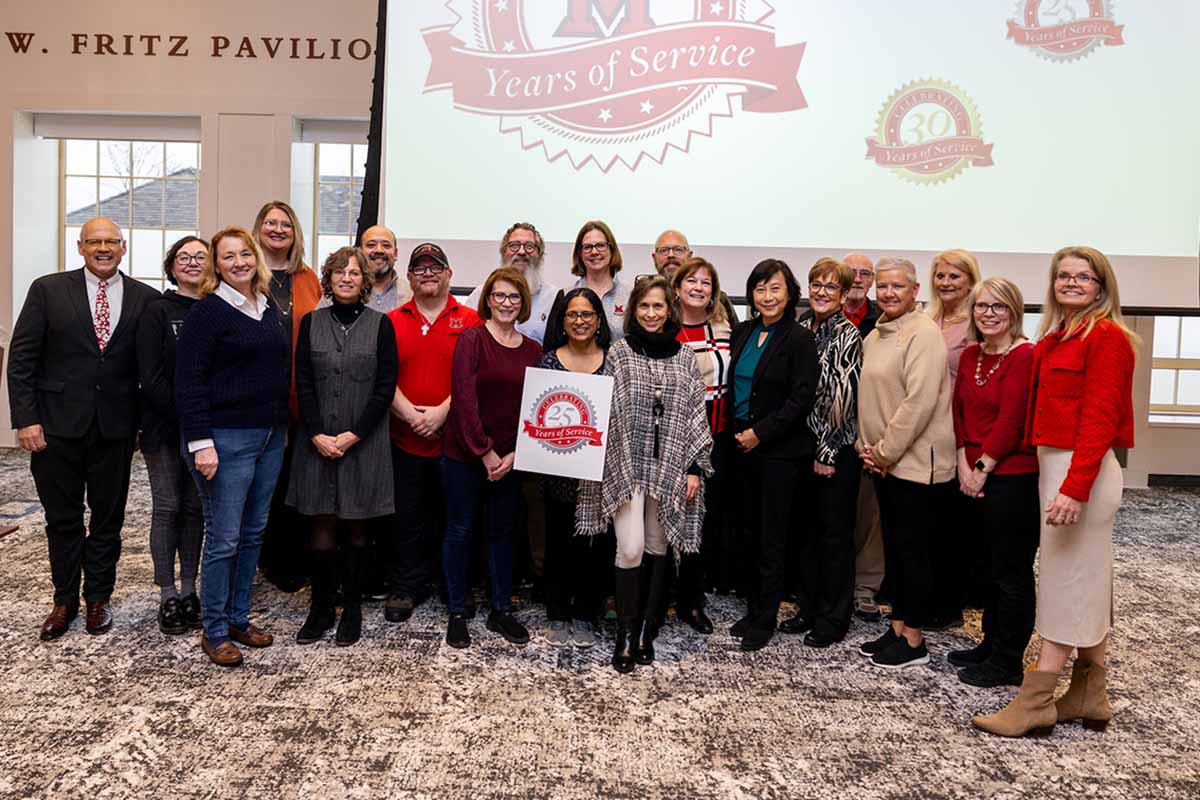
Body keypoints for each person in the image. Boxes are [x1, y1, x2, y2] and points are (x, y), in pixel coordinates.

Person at [974, 247, 1137, 737]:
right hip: (1055, 465)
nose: (1071, 283)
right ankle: (1090, 692)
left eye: (1083, 277)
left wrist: (1074, 489)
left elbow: (1100, 422)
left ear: (1101, 286)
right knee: (1086, 578)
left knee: (1066, 582)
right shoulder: (1057, 336)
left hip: (1079, 472)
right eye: (1063, 276)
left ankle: (1037, 698)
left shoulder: (1107, 337)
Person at [8, 217, 159, 640]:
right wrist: (26, 419)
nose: (104, 248)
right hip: (55, 428)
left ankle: (98, 599)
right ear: (80, 247)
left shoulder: (145, 299)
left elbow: (148, 370)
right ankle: (64, 600)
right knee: (62, 519)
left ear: (124, 248)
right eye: (95, 241)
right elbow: (21, 360)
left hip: (115, 430)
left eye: (112, 241)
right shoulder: (47, 290)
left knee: (108, 520)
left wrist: (143, 426)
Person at [577, 276, 713, 673]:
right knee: (631, 547)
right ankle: (624, 632)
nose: (651, 314)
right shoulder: (619, 354)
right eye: (644, 307)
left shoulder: (685, 357)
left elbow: (694, 416)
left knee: (658, 545)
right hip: (626, 463)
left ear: (669, 310)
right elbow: (603, 409)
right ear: (633, 311)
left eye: (658, 307)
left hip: (671, 466)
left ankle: (644, 633)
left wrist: (693, 468)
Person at [175, 226, 291, 667]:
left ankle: (239, 617)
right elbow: (188, 383)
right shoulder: (208, 312)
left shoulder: (265, 306)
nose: (239, 262)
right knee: (223, 538)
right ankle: (216, 629)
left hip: (268, 438)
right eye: (229, 257)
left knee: (253, 532)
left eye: (245, 254)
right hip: (224, 441)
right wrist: (201, 443)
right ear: (215, 265)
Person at [288, 247, 399, 646]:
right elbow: (302, 382)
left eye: (355, 273)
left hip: (363, 444)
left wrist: (354, 435)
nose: (348, 278)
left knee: (356, 531)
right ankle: (320, 609)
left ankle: (351, 609)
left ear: (365, 281)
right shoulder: (312, 323)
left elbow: (385, 387)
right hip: (315, 442)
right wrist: (316, 432)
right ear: (329, 279)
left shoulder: (381, 325)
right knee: (319, 530)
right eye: (340, 272)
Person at [856, 257, 956, 670]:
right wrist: (870, 448)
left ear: (915, 291)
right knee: (896, 550)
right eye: (883, 286)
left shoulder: (925, 334)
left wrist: (883, 452)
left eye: (898, 286)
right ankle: (896, 625)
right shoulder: (877, 335)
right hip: (884, 461)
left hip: (915, 464)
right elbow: (870, 398)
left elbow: (918, 403)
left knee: (914, 553)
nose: (889, 293)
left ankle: (913, 639)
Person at [441, 267, 542, 648]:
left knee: (502, 534)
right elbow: (464, 400)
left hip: (511, 459)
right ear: (488, 299)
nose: (506, 303)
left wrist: (514, 455)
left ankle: (501, 608)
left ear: (523, 303)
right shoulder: (471, 339)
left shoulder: (534, 350)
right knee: (460, 530)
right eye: (499, 296)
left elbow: (536, 410)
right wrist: (485, 452)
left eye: (513, 297)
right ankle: (456, 611)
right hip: (466, 456)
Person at [949, 277, 1037, 688]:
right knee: (985, 568)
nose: (988, 313)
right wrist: (964, 465)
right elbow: (960, 414)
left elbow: (1012, 420)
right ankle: (989, 644)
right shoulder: (970, 356)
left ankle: (1008, 660)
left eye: (998, 307)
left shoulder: (1025, 356)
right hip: (972, 474)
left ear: (1014, 312)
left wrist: (982, 467)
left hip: (1012, 478)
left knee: (1011, 572)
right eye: (982, 306)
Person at [384, 243, 479, 624]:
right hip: (403, 438)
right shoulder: (391, 320)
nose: (428, 274)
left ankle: (453, 583)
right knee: (406, 519)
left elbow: (474, 377)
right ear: (408, 277)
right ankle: (407, 586)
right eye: (419, 268)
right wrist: (411, 415)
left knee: (455, 519)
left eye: (435, 267)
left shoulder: (470, 319)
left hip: (454, 442)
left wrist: (441, 413)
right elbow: (383, 377)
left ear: (449, 274)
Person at [726, 260, 818, 652]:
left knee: (772, 538)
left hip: (779, 453)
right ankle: (752, 609)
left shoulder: (798, 338)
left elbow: (801, 398)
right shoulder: (743, 331)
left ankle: (765, 620)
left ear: (790, 293)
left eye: (775, 289)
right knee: (748, 531)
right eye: (761, 289)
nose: (768, 297)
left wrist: (759, 433)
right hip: (741, 448)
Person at [779, 258, 863, 647]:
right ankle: (809, 608)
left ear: (845, 294)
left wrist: (826, 453)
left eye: (832, 287)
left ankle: (833, 618)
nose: (823, 292)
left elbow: (842, 399)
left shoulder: (848, 335)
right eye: (817, 284)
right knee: (808, 536)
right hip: (802, 447)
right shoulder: (801, 328)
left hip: (833, 451)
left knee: (834, 539)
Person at [136, 235, 208, 635]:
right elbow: (151, 377)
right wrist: (188, 415)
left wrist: (201, 422)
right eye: (185, 257)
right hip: (165, 428)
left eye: (201, 257)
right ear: (172, 265)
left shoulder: (217, 309)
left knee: (196, 509)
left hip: (204, 433)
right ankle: (167, 594)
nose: (193, 263)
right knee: (167, 507)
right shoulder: (156, 311)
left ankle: (188, 589)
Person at [252, 200, 322, 593]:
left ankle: (293, 559)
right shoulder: (243, 275)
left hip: (300, 398)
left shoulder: (308, 278)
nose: (278, 230)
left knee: (294, 483)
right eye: (270, 223)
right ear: (259, 229)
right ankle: (264, 559)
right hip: (255, 401)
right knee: (262, 484)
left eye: (285, 225)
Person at [537, 288, 612, 648]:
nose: (579, 322)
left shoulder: (614, 360)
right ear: (562, 321)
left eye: (587, 315)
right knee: (559, 544)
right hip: (558, 473)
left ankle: (586, 613)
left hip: (600, 474)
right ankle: (557, 613)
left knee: (594, 547)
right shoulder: (547, 361)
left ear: (599, 320)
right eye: (572, 315)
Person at [671, 257, 733, 634]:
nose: (698, 287)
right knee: (666, 521)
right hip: (673, 439)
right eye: (690, 281)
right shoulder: (664, 327)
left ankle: (692, 600)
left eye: (705, 283)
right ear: (676, 287)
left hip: (718, 437)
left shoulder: (726, 328)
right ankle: (661, 596)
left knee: (704, 522)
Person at [926, 249, 985, 629]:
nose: (946, 283)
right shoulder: (926, 320)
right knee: (929, 524)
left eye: (955, 277)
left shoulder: (978, 323)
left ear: (970, 280)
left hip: (958, 433)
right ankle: (929, 598)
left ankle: (950, 606)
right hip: (924, 432)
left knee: (954, 527)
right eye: (941, 276)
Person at [843, 253, 884, 622]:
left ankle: (865, 587)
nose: (857, 279)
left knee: (870, 513)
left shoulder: (885, 320)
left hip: (872, 429)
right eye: (850, 273)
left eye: (865, 274)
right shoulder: (818, 316)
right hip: (829, 432)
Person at [467, 222, 559, 344]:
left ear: (540, 254)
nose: (522, 252)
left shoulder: (553, 298)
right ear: (503, 252)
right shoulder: (481, 294)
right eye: (514, 245)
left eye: (529, 246)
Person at [654, 229, 739, 325]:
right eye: (664, 250)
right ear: (654, 257)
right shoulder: (646, 296)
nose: (671, 255)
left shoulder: (718, 298)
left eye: (678, 250)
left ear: (690, 256)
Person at [571, 220, 631, 340]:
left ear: (611, 249)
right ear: (580, 253)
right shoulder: (566, 295)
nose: (594, 252)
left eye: (600, 245)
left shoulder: (631, 295)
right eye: (588, 247)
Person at [359, 224, 413, 312]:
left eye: (386, 245)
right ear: (360, 252)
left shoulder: (411, 294)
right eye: (371, 245)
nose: (379, 250)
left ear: (395, 254)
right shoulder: (347, 291)